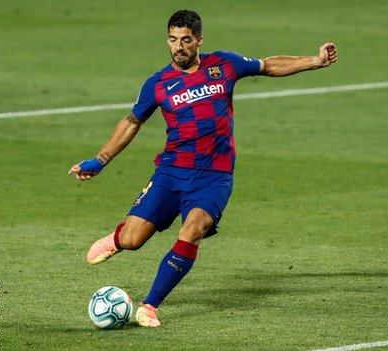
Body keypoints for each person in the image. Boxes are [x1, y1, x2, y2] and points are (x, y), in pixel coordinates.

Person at [68, 9, 337, 327]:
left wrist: (314, 61)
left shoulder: (224, 64)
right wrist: (99, 161)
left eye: (185, 40)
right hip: (171, 172)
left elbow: (267, 65)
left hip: (214, 177)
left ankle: (149, 306)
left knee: (192, 229)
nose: (178, 46)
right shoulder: (158, 84)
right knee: (132, 240)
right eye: (172, 40)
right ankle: (117, 239)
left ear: (198, 40)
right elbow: (132, 122)